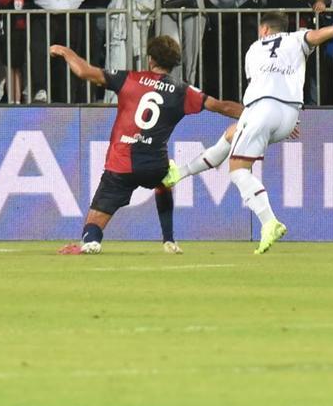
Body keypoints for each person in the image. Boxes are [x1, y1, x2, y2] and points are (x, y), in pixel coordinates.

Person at [163, 10, 333, 252]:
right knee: (233, 134)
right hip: (290, 117)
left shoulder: (254, 48)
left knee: (238, 171)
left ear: (264, 30)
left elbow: (260, 86)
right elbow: (316, 36)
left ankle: (269, 222)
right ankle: (178, 174)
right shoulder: (296, 39)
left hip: (264, 107)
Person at [50, 34, 243, 255]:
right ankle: (169, 240)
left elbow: (84, 71)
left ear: (150, 59)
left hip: (121, 165)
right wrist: (258, 116)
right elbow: (223, 107)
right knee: (163, 182)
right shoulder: (183, 91)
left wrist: (66, 51)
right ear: (174, 64)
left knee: (94, 219)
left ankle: (92, 241)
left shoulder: (129, 79)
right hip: (154, 165)